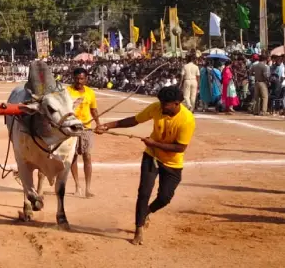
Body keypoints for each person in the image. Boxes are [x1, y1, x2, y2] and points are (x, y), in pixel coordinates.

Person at [95, 86, 195, 246]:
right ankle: (138, 228)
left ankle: (147, 211)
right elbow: (134, 120)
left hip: (172, 162)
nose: (162, 106)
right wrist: (108, 126)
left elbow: (180, 148)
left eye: (165, 104)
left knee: (165, 198)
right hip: (151, 155)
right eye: (161, 103)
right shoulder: (156, 108)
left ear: (177, 103)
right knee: (144, 192)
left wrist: (154, 143)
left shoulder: (187, 120)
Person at [67, 67, 100, 198]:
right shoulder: (67, 91)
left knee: (87, 156)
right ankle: (77, 186)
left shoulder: (90, 93)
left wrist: (98, 124)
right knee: (73, 157)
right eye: (77, 78)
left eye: (81, 79)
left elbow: (94, 110)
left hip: (86, 128)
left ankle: (88, 188)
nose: (79, 81)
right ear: (73, 78)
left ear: (86, 79)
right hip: (72, 128)